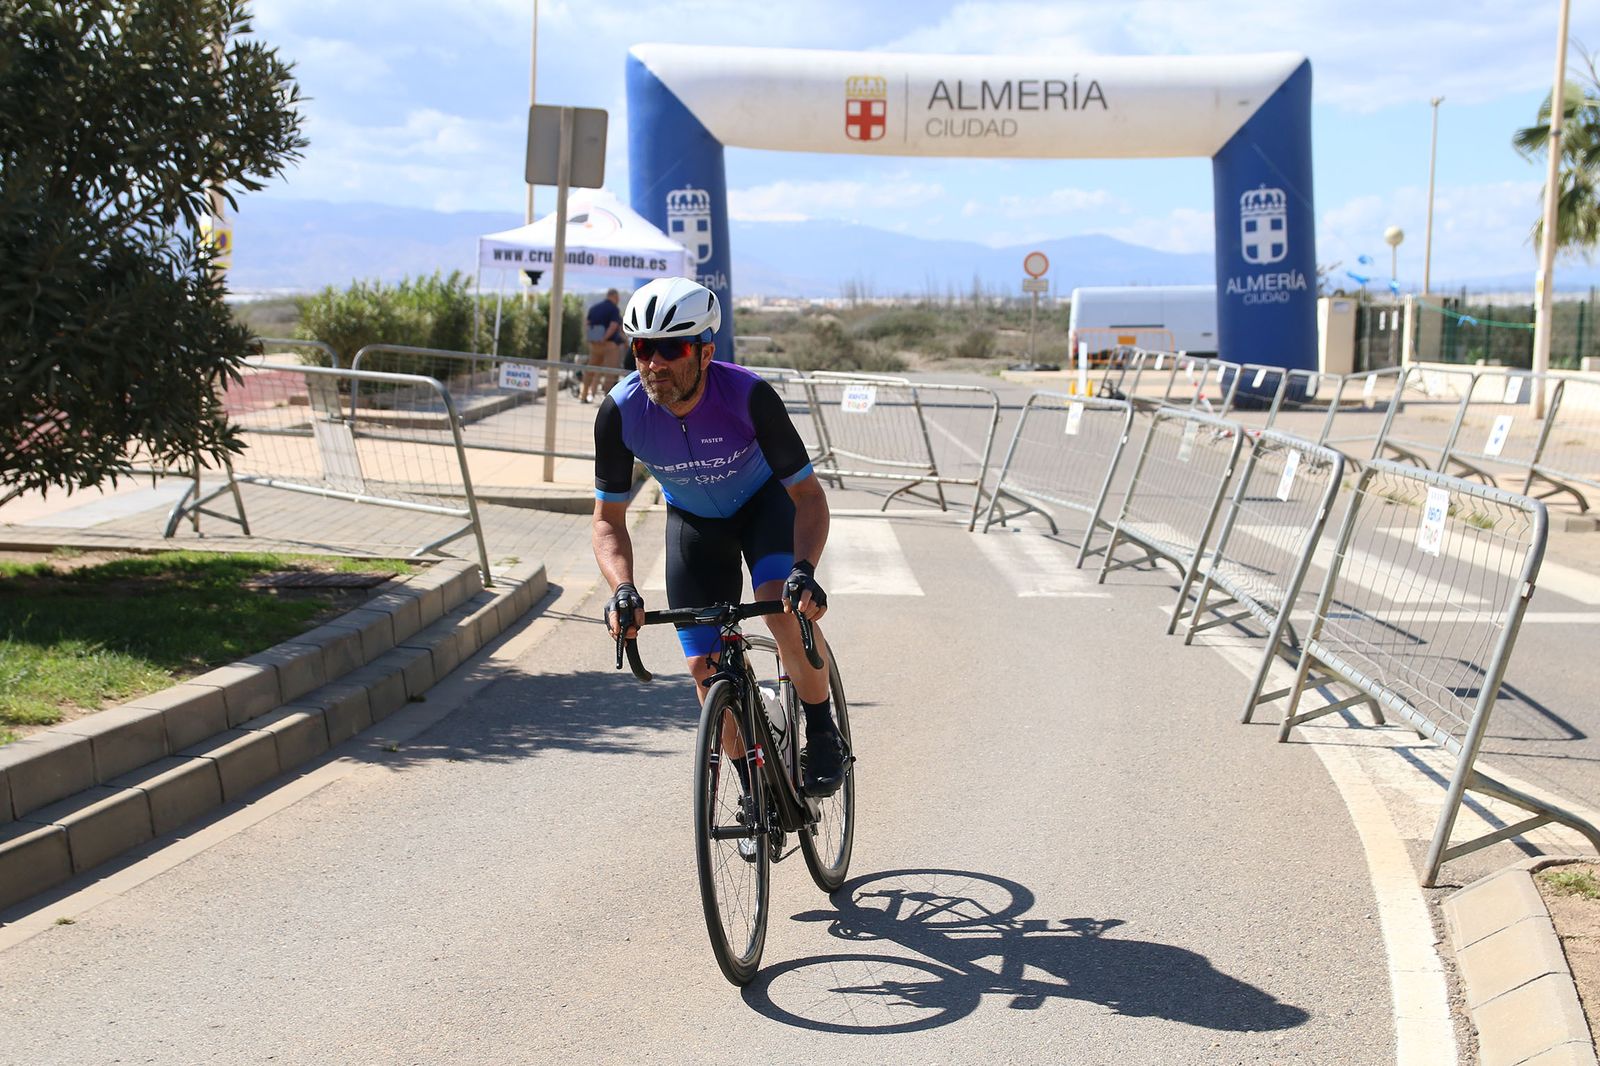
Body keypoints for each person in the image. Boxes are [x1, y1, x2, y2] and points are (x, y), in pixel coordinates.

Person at [591, 276, 847, 797]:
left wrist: (806, 570)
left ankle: (821, 730)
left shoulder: (749, 397)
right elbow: (607, 521)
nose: (653, 363)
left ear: (705, 352)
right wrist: (623, 589)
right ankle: (754, 782)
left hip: (764, 509)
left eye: (671, 348)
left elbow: (809, 498)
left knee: (779, 608)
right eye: (643, 347)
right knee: (701, 665)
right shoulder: (620, 412)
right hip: (693, 525)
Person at [580, 288, 624, 404]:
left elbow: (587, 324)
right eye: (618, 298)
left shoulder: (594, 308)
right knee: (610, 373)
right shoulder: (614, 309)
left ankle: (583, 395)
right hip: (609, 345)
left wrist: (591, 338)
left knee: (590, 370)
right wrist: (604, 338)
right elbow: (614, 325)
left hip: (594, 345)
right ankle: (607, 401)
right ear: (614, 296)